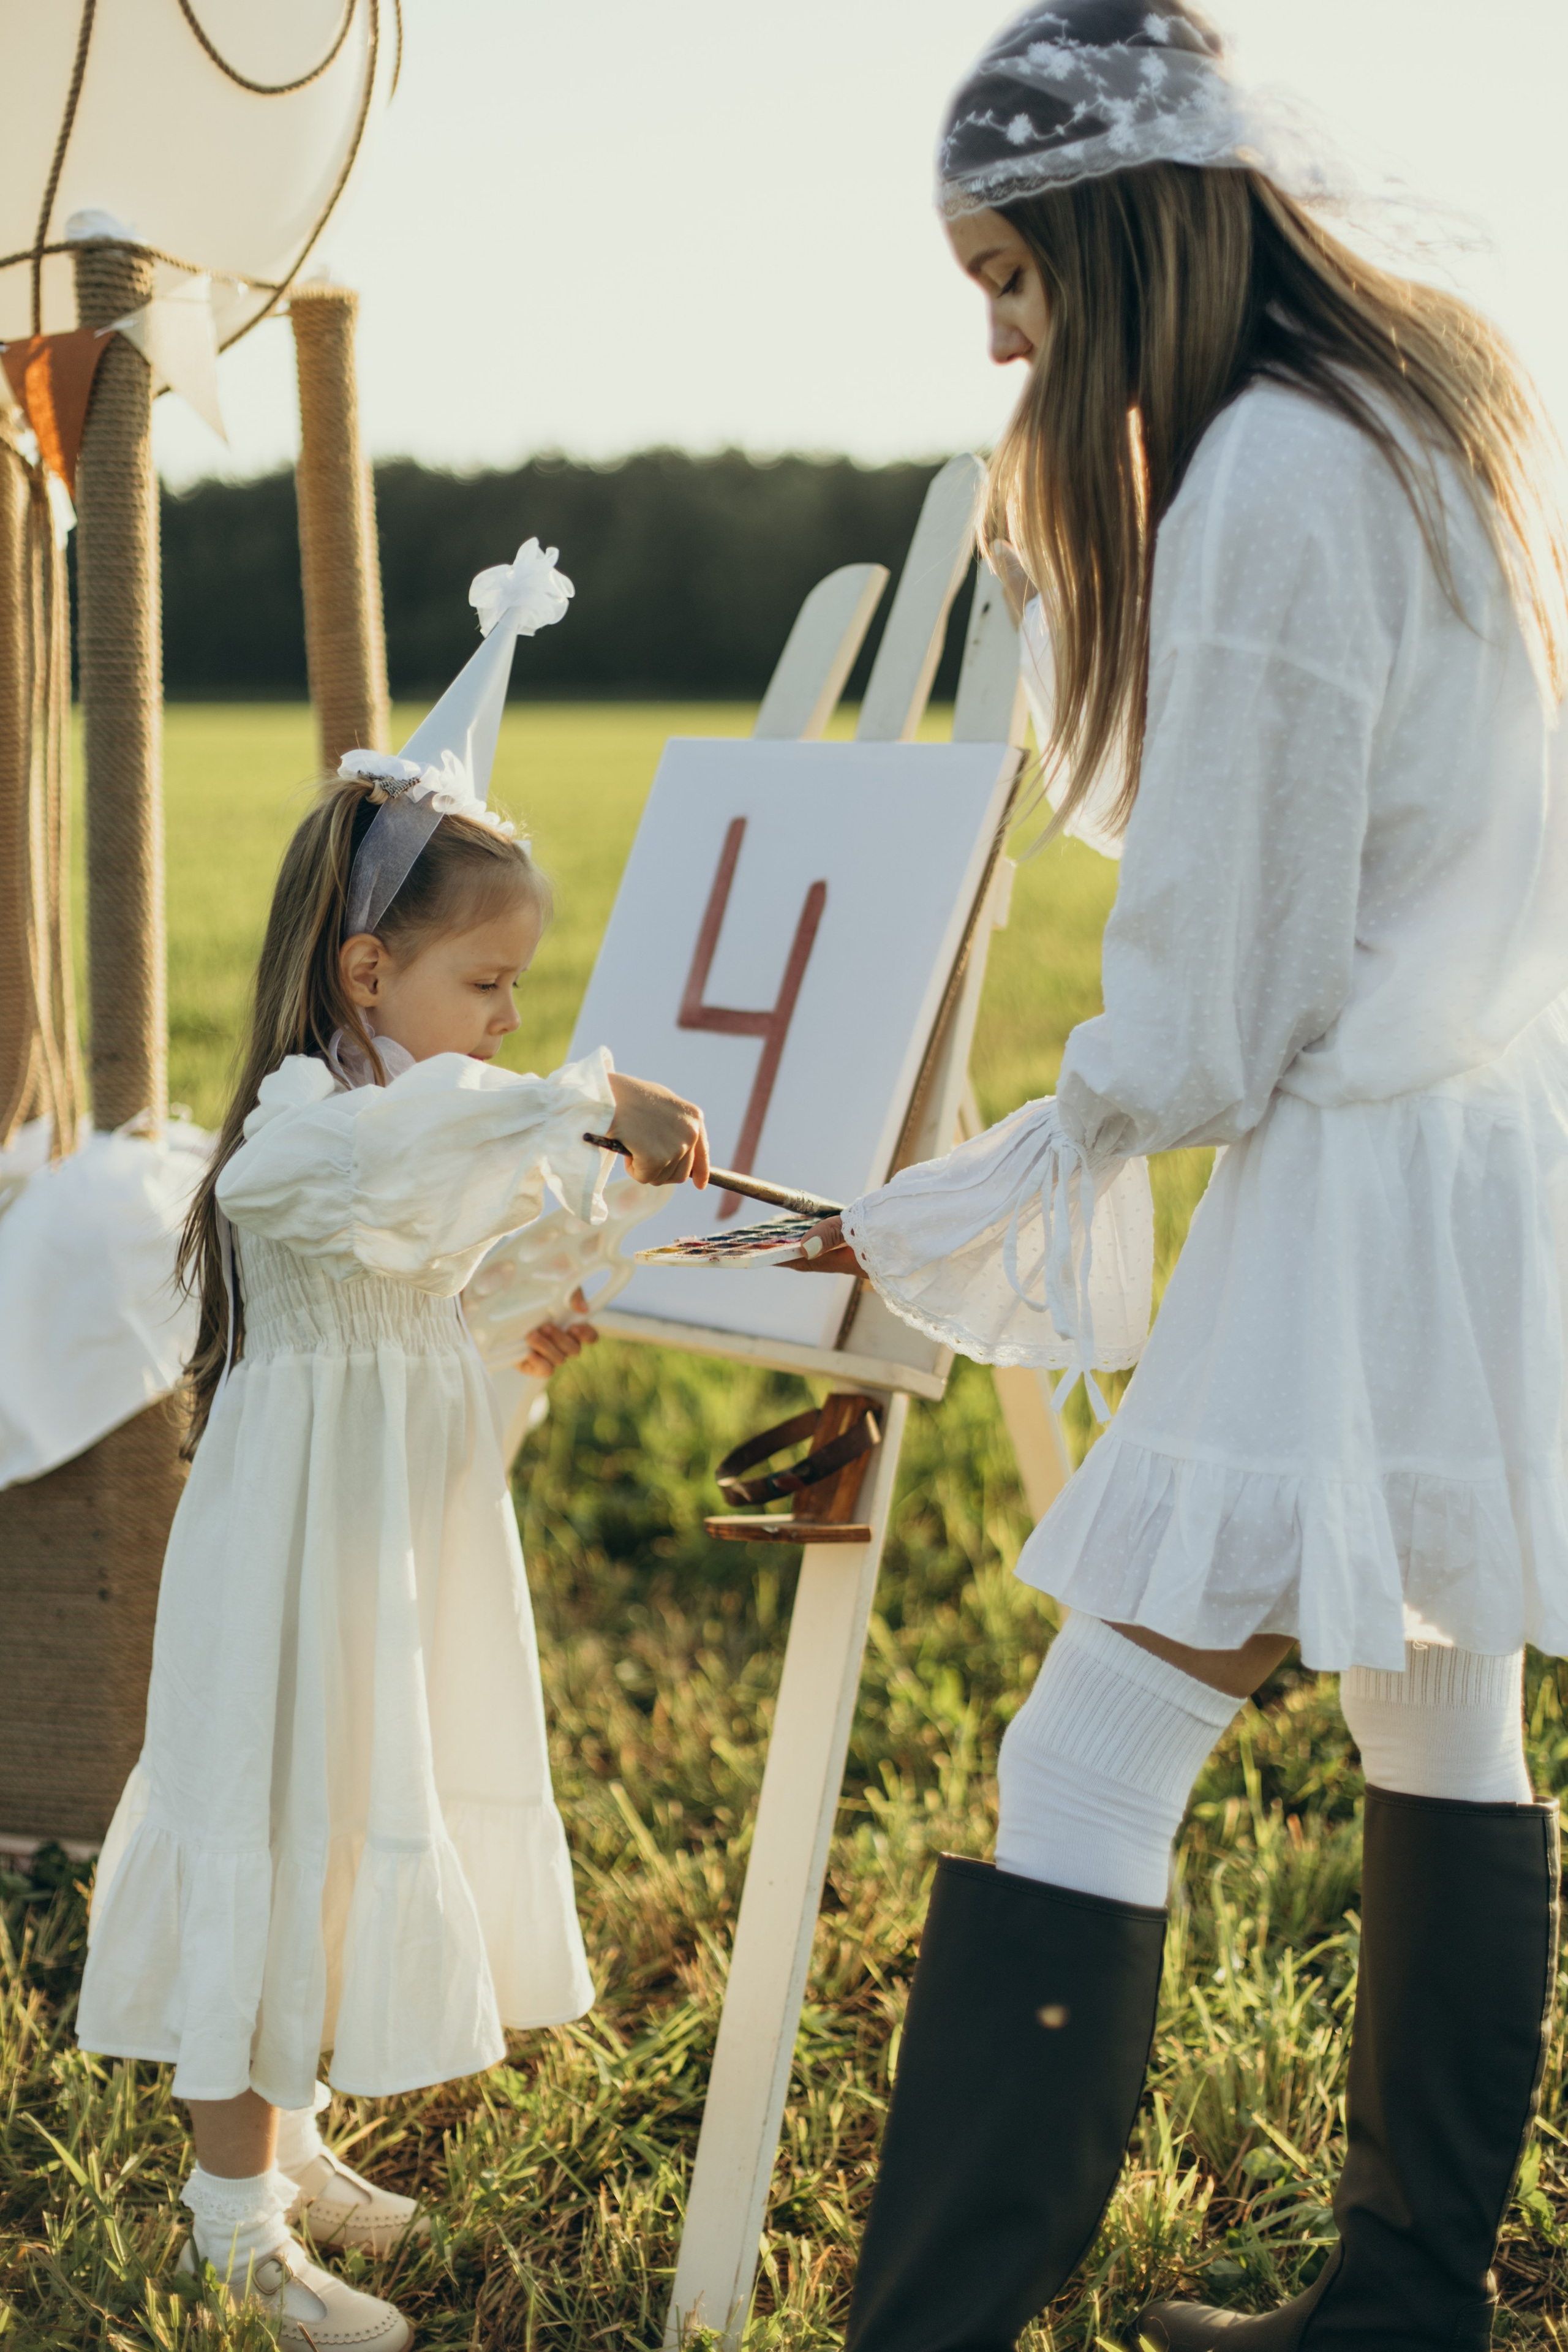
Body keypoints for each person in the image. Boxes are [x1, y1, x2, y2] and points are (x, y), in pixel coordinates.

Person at [791, 7, 1568, 2346]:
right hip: (1485, 1160)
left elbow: (1213, 1029)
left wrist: (1009, 1159)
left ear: (1123, 237)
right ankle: (1406, 2304)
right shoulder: (1423, 423)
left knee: (1096, 1737)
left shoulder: (1265, 488)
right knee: (1442, 1710)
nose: (1010, 343)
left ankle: (937, 2328)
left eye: (1014, 285)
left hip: (1355, 1187)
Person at [74, 543, 708, 2351]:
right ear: (370, 971)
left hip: (385, 1551)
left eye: (526, 997)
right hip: (285, 1562)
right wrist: (582, 1098)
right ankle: (230, 2222)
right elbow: (383, 1181)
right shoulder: (305, 1129)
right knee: (268, 1813)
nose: (512, 1021)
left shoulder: (416, 1127)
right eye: (489, 986)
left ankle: (293, 2145)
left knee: (354, 1820)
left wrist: (526, 1310)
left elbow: (452, 1258)